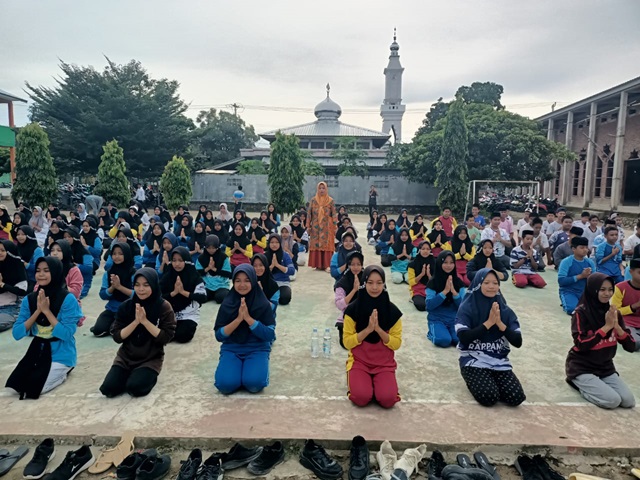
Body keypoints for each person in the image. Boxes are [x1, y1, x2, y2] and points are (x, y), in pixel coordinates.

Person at [6, 257, 83, 399]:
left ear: (56, 272)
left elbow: (66, 334)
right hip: (38, 351)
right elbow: (17, 334)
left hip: (61, 354)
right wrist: (37, 312)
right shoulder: (30, 299)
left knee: (32, 389)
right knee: (16, 386)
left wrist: (47, 312)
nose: (41, 274)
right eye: (38, 271)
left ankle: (64, 372)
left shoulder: (68, 299)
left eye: (46, 271)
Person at [99, 268, 176, 398]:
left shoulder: (163, 306)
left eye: (146, 285)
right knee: (108, 389)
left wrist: (145, 321)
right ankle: (128, 374)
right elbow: (117, 336)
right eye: (137, 285)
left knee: (135, 389)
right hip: (125, 357)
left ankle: (145, 375)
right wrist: (135, 322)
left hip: (150, 358)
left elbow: (165, 337)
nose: (141, 289)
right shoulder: (127, 306)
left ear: (154, 285)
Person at [455, 268, 526, 407]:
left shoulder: (504, 310)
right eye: (486, 282)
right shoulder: (467, 308)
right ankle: (471, 377)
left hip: (499, 362)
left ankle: (492, 378)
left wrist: (500, 324)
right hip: (473, 360)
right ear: (478, 284)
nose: (491, 286)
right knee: (489, 397)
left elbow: (518, 342)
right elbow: (464, 337)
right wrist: (488, 324)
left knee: (516, 398)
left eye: (495, 283)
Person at [565, 273, 636, 409]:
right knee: (612, 401)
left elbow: (631, 346)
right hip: (581, 367)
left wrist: (617, 327)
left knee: (628, 401)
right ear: (593, 289)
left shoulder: (614, 313)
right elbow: (581, 343)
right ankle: (577, 383)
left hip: (605, 367)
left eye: (610, 289)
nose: (607, 294)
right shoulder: (581, 313)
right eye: (602, 289)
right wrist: (606, 327)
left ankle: (595, 384)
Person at [343, 265, 402, 409]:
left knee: (388, 400)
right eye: (370, 283)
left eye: (379, 283)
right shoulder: (352, 310)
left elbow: (396, 344)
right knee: (361, 398)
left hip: (384, 364)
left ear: (384, 284)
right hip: (359, 361)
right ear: (364, 283)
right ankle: (362, 382)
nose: (374, 287)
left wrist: (379, 330)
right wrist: (368, 330)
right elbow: (347, 342)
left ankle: (379, 386)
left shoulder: (392, 312)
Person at [214, 264, 276, 395]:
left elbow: (269, 334)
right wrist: (237, 320)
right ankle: (237, 372)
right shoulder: (228, 303)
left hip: (257, 348)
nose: (242, 284)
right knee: (225, 386)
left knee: (254, 385)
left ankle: (253, 370)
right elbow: (219, 335)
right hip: (232, 348)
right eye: (238, 281)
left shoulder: (263, 303)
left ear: (253, 281)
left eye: (247, 280)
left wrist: (248, 318)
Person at [160, 247, 206, 343]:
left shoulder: (194, 276)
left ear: (187, 260)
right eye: (174, 260)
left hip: (188, 314)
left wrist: (183, 292)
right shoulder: (168, 275)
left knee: (183, 336)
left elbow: (203, 297)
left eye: (180, 260)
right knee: (161, 335)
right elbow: (158, 297)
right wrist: (173, 293)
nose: (177, 264)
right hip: (170, 313)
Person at [93, 243, 135, 337]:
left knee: (115, 332)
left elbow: (137, 294)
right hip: (111, 309)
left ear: (127, 254)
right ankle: (110, 324)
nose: (117, 257)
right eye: (114, 254)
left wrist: (120, 287)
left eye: (120, 254)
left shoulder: (133, 273)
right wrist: (112, 287)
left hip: (128, 309)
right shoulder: (108, 274)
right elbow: (102, 295)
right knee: (98, 331)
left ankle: (114, 325)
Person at [426, 251, 467, 348]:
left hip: (454, 319)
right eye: (445, 262)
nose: (448, 265)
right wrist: (444, 292)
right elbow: (429, 306)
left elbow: (463, 307)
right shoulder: (433, 282)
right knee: (444, 341)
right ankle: (431, 332)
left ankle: (448, 331)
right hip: (437, 318)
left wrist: (454, 293)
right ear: (440, 263)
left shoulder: (459, 283)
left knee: (459, 340)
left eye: (451, 262)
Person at [558, 237, 596, 315]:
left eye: (586, 247)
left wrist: (590, 276)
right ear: (573, 249)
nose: (585, 250)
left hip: (585, 292)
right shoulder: (566, 262)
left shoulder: (590, 262)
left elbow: (595, 280)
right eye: (582, 248)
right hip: (569, 291)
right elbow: (561, 281)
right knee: (572, 310)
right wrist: (581, 276)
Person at [334, 251, 364, 349]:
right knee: (346, 344)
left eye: (358, 264)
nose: (356, 267)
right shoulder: (342, 282)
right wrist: (354, 290)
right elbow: (339, 305)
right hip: (347, 316)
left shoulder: (367, 278)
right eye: (352, 264)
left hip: (364, 315)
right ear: (348, 265)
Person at [307, 182, 337, 270]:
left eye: (323, 188)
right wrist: (308, 226)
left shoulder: (330, 201)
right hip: (315, 227)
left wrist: (335, 227)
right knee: (316, 244)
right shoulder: (313, 201)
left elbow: (334, 214)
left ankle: (327, 265)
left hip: (327, 227)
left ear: (326, 189)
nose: (321, 190)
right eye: (320, 188)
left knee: (327, 244)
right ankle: (317, 264)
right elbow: (309, 214)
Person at [0, 240, 28, 333]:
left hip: (10, 308)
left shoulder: (17, 267)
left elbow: (22, 292)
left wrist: (3, 285)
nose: (0, 253)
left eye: (3, 250)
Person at [612, 258, 640, 349]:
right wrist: (634, 306)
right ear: (631, 272)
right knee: (635, 343)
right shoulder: (620, 288)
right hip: (626, 322)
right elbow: (615, 311)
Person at [196, 235, 232, 304]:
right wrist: (208, 268)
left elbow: (228, 273)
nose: (211, 250)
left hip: (221, 285)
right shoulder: (201, 258)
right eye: (209, 248)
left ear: (218, 247)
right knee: (200, 297)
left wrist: (214, 269)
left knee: (221, 297)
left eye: (213, 248)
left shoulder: (223, 257)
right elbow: (197, 273)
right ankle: (211, 295)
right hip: (206, 285)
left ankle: (216, 294)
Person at [265, 233, 295, 305]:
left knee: (285, 299)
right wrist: (271, 267)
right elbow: (261, 273)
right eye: (272, 242)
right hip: (269, 283)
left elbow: (292, 271)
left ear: (280, 243)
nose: (274, 245)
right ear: (268, 243)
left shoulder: (285, 255)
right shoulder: (265, 256)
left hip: (283, 283)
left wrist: (277, 265)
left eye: (277, 242)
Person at [407, 241, 435, 311]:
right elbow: (411, 282)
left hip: (431, 288)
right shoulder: (412, 264)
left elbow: (437, 282)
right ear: (419, 250)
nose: (425, 251)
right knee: (421, 306)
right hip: (417, 289)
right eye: (423, 249)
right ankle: (414, 298)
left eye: (428, 249)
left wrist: (429, 275)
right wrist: (421, 274)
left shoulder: (435, 263)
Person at [16, 226, 44, 291]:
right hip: (20, 279)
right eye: (18, 234)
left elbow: (39, 267)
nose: (20, 237)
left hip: (33, 281)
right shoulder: (17, 248)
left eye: (23, 234)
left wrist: (26, 265)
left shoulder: (37, 250)